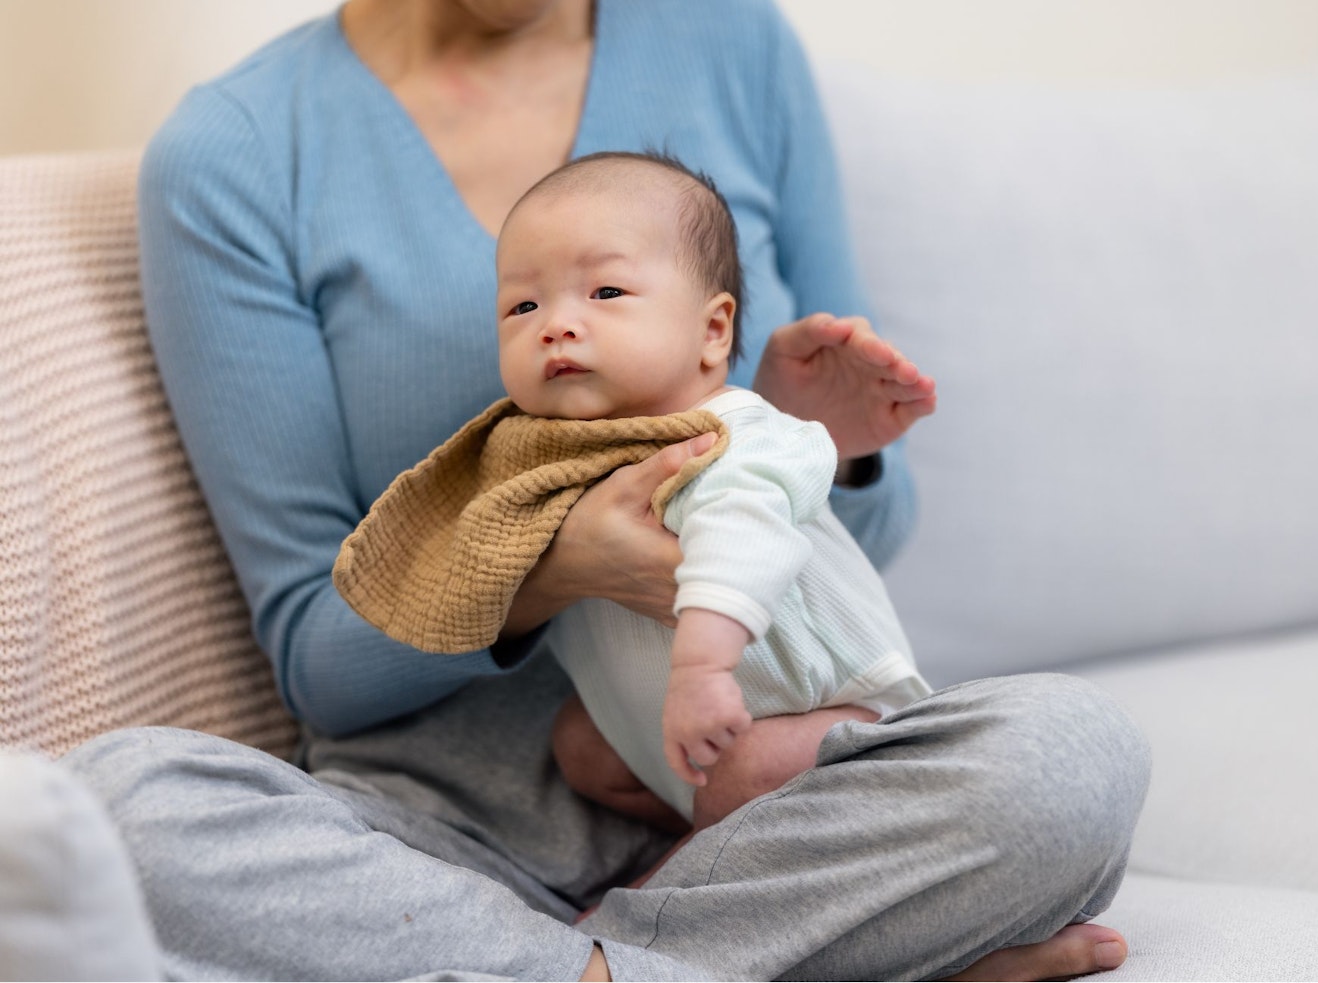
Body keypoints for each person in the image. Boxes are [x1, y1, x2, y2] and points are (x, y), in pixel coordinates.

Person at [59, 0, 1150, 980]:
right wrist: (554, 565)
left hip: (778, 800)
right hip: (453, 835)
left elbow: (874, 524)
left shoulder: (733, 42)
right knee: (105, 812)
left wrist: (805, 433)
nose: (559, 325)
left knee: (1070, 754)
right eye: (521, 308)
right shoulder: (239, 152)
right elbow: (316, 658)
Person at [334, 150, 934, 842]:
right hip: (684, 733)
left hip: (839, 724)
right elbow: (466, 559)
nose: (554, 324)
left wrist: (704, 668)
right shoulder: (546, 463)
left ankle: (688, 880)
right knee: (582, 750)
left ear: (713, 330)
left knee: (747, 770)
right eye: (522, 306)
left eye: (606, 293)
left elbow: (745, 536)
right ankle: (708, 831)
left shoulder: (733, 436)